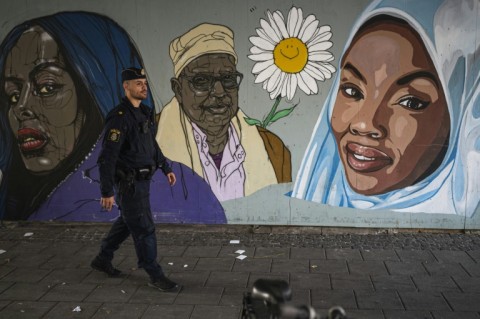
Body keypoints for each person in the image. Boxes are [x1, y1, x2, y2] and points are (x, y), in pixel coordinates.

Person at [0, 12, 225, 224]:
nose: (21, 108)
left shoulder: (184, 192)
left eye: (47, 87)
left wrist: (164, 169)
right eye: (13, 95)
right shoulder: (19, 200)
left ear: (96, 89)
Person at [292, 0, 480, 217]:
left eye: (410, 102)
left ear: (460, 117)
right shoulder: (322, 196)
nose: (364, 124)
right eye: (352, 91)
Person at [156, 23, 292, 202]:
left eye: (228, 78)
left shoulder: (273, 150)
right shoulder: (149, 141)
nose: (219, 92)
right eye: (202, 80)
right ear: (178, 89)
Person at [90, 67, 178, 291]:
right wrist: (107, 191)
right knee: (144, 228)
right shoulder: (120, 118)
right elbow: (107, 157)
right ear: (126, 86)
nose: (144, 87)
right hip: (129, 183)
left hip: (143, 182)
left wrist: (165, 166)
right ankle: (155, 274)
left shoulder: (144, 113)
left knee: (129, 221)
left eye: (145, 83)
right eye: (138, 83)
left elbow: (151, 144)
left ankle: (103, 258)